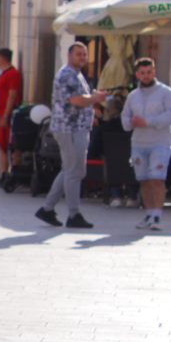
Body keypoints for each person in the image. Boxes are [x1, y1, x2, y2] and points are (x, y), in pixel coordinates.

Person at [35, 42, 106, 229]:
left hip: (75, 127)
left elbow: (78, 100)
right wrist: (95, 98)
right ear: (69, 55)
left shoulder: (76, 74)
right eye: (78, 54)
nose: (82, 57)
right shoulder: (68, 75)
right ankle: (73, 215)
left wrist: (91, 107)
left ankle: (47, 208)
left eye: (84, 54)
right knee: (74, 172)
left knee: (70, 170)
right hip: (70, 129)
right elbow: (76, 100)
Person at [121, 56, 171, 232]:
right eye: (142, 73)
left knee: (157, 178)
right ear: (137, 75)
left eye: (149, 72)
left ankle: (157, 215)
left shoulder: (166, 92)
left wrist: (149, 121)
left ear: (154, 72)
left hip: (160, 143)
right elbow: (125, 117)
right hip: (138, 143)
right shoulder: (132, 96)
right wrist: (131, 123)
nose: (146, 76)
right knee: (143, 180)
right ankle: (148, 213)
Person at [0, 47, 23, 185]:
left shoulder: (13, 74)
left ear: (1, 58)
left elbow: (12, 95)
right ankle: (4, 174)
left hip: (6, 115)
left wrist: (5, 115)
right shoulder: (3, 74)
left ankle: (9, 174)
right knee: (1, 145)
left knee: (8, 145)